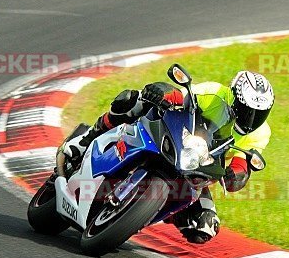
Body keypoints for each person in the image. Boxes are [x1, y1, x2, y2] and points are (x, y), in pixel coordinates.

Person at [56, 70, 274, 244]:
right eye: (247, 110)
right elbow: (183, 97)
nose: (251, 118)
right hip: (175, 136)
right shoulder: (215, 94)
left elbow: (243, 163)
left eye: (259, 114)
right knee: (134, 100)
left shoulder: (260, 133)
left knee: (203, 228)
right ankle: (87, 138)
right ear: (234, 97)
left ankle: (147, 212)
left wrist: (236, 174)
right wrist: (165, 93)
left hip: (197, 168)